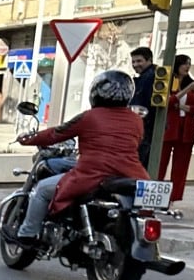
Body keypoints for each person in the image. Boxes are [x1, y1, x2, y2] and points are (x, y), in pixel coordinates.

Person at [10, 70, 147, 242]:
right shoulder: (137, 120)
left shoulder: (89, 117)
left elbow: (56, 133)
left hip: (93, 174)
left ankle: (27, 234)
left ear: (96, 92)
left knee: (42, 189)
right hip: (129, 174)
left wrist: (28, 139)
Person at [160, 54, 194, 207]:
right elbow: (168, 102)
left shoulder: (193, 84)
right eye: (185, 63)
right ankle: (158, 195)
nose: (187, 66)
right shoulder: (168, 81)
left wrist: (188, 108)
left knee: (180, 167)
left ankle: (173, 198)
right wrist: (185, 92)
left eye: (189, 64)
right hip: (170, 127)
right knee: (161, 163)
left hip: (186, 129)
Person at [128, 46, 160, 167]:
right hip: (144, 128)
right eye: (133, 61)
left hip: (146, 129)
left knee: (138, 165)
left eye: (139, 61)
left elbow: (144, 105)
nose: (135, 64)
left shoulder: (150, 77)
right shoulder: (145, 77)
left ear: (149, 60)